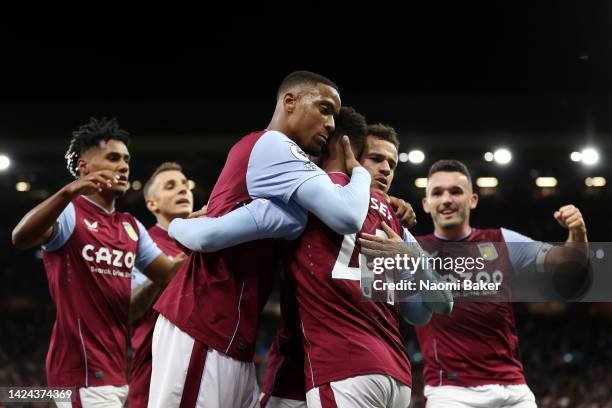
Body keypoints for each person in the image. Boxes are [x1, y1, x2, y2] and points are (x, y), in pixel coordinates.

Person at [172, 108, 452, 407]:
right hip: (368, 370)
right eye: (375, 159)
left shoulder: (315, 203)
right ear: (351, 152)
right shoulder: (388, 221)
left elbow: (423, 310)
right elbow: (425, 311)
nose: (385, 169)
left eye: (392, 163)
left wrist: (198, 221)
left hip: (334, 366)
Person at [150, 71, 373, 407]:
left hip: (229, 331)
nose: (329, 124)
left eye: (334, 117)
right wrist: (363, 175)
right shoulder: (274, 146)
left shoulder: (271, 158)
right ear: (290, 101)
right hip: (203, 322)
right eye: (325, 109)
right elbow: (347, 216)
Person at [365, 159, 589, 408]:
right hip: (449, 393)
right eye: (437, 193)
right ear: (426, 204)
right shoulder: (411, 248)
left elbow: (569, 263)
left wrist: (577, 232)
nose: (447, 199)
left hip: (512, 391)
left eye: (456, 191)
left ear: (473, 200)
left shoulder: (501, 241)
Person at [11, 118, 182, 408]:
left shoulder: (130, 226)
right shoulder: (69, 214)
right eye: (113, 158)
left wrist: (197, 234)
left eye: (126, 159)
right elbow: (20, 237)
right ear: (83, 167)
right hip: (80, 371)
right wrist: (69, 191)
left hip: (116, 368)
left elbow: (167, 274)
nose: (124, 165)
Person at [128, 162, 193, 408]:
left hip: (202, 372)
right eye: (170, 186)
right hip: (153, 378)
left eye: (185, 185)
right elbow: (128, 311)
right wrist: (164, 274)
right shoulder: (143, 247)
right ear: (152, 203)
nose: (182, 190)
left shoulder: (205, 243)